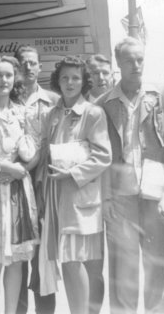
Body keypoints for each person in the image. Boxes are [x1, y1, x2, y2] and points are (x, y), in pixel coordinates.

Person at [96, 37, 164, 314]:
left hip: (157, 195)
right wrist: (106, 198)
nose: (136, 65)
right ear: (118, 63)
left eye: (140, 58)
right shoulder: (103, 104)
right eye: (129, 60)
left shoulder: (162, 98)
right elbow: (100, 156)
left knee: (159, 265)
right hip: (121, 197)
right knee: (123, 270)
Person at [36, 56, 111, 314]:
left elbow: (103, 156)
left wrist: (73, 173)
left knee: (88, 265)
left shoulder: (93, 113)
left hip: (82, 197)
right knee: (69, 261)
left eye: (76, 78)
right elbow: (45, 152)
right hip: (57, 198)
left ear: (84, 81)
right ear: (57, 80)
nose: (70, 82)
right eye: (65, 77)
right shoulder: (52, 114)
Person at [0, 55, 39, 314]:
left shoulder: (22, 112)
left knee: (14, 261)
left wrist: (21, 170)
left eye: (9, 75)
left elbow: (36, 152)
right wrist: (6, 167)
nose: (4, 80)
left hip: (17, 190)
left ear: (16, 79)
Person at [13, 45, 59, 314]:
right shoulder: (8, 99)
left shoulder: (53, 100)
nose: (28, 68)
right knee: (17, 256)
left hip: (43, 183)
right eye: (23, 63)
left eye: (32, 63)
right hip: (14, 183)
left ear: (40, 67)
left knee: (43, 259)